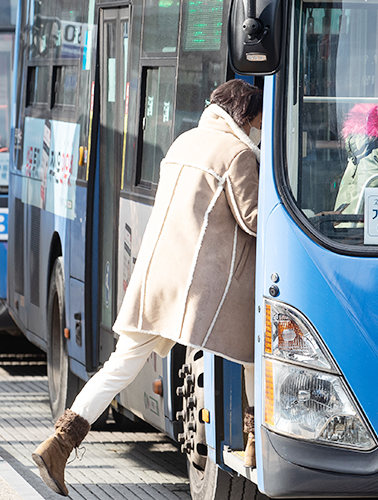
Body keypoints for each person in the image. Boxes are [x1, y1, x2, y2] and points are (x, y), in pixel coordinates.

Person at [32, 79, 263, 496]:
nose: (259, 129)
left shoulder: (183, 142)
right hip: (197, 289)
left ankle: (59, 443)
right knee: (252, 347)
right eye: (259, 121)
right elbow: (255, 220)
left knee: (122, 364)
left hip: (156, 278)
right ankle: (252, 443)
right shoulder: (239, 154)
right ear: (245, 116)